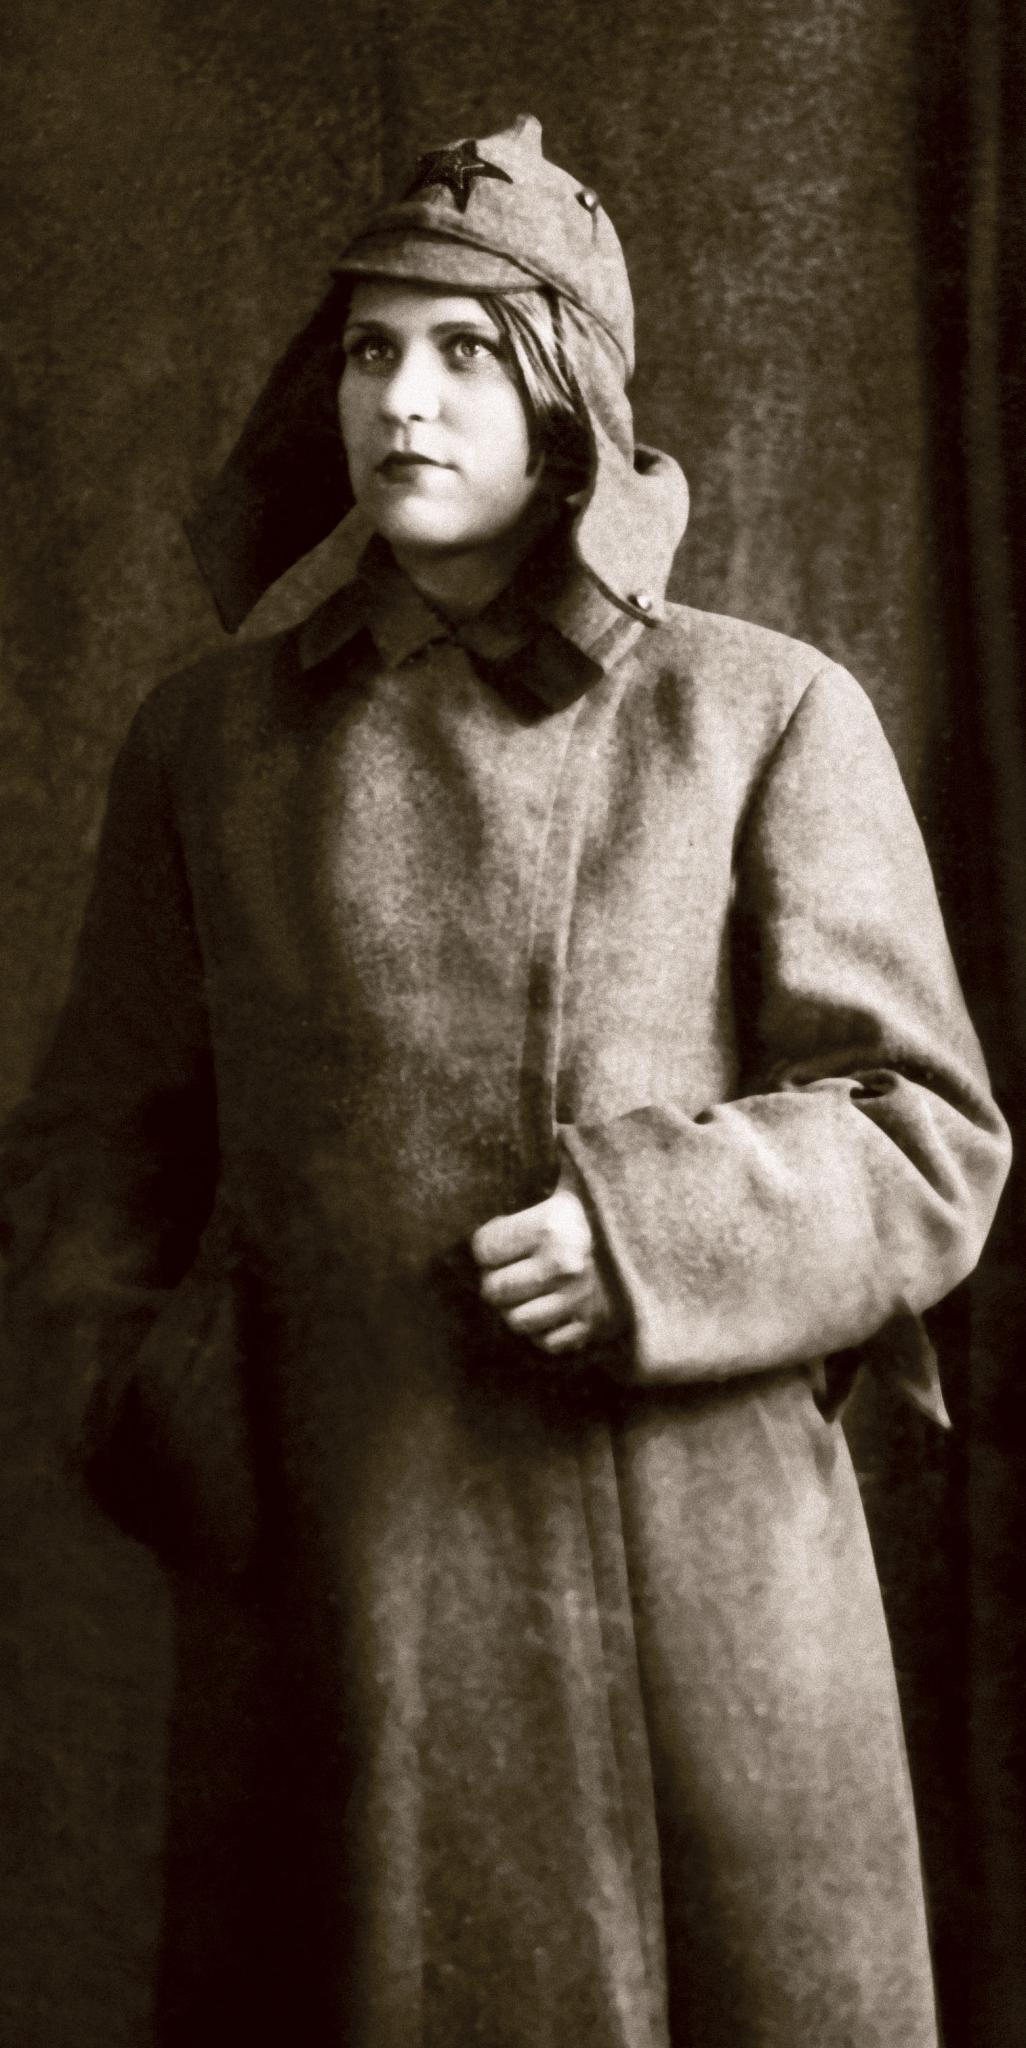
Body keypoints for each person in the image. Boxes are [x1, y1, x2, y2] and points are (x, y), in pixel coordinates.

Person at [0, 113, 1011, 2047]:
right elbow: (96, 1149)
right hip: (334, 1590)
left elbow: (922, 1132)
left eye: (466, 350)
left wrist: (648, 1234)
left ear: (567, 404)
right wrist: (165, 1396)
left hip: (697, 1606)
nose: (404, 399)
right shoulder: (208, 743)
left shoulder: (763, 710)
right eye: (370, 351)